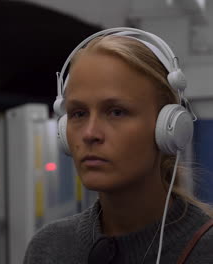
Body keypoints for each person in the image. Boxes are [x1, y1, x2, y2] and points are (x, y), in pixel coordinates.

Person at [23, 28, 213, 264]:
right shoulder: (49, 248)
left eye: (116, 112)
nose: (90, 134)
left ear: (168, 126)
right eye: (78, 113)